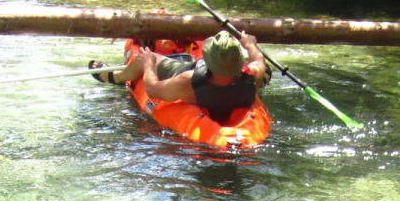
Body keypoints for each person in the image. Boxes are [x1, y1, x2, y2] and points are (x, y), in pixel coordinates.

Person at [91, 29, 269, 125]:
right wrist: (251, 44)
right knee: (266, 69)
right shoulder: (254, 76)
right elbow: (259, 60)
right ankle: (118, 75)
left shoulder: (188, 81)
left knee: (148, 56)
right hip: (223, 83)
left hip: (194, 79)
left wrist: (148, 64)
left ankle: (117, 77)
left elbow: (152, 88)